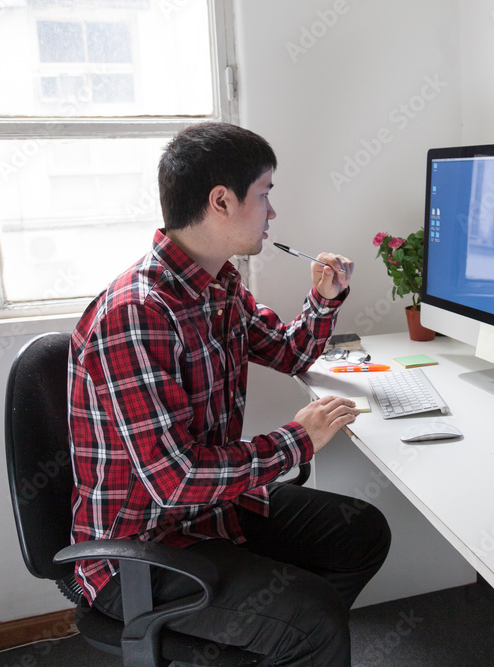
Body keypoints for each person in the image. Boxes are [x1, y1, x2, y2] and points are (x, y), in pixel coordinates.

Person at [67, 122, 390, 666]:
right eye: (265, 194)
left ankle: (279, 644)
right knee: (311, 619)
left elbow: (286, 354)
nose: (273, 212)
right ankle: (298, 637)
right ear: (221, 201)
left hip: (209, 512)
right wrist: (297, 440)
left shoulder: (219, 286)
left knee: (360, 533)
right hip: (142, 550)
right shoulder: (138, 313)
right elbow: (176, 481)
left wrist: (322, 300)